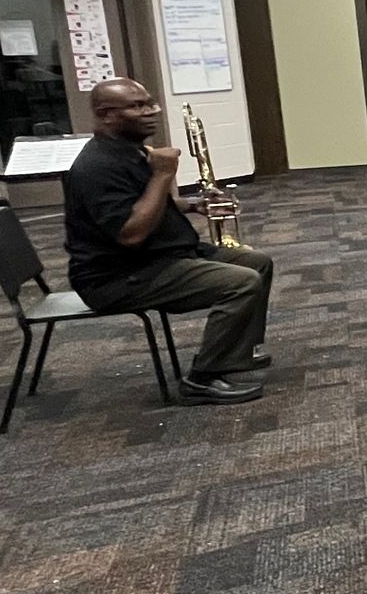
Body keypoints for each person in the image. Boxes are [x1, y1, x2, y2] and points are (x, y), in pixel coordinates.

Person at [63, 78, 275, 405]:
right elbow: (130, 233)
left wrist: (190, 204)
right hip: (118, 276)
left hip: (160, 257)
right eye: (137, 106)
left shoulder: (128, 151)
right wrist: (163, 175)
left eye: (150, 103)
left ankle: (235, 354)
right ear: (106, 114)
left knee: (256, 263)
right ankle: (201, 379)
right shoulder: (96, 167)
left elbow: (141, 202)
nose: (151, 112)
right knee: (241, 282)